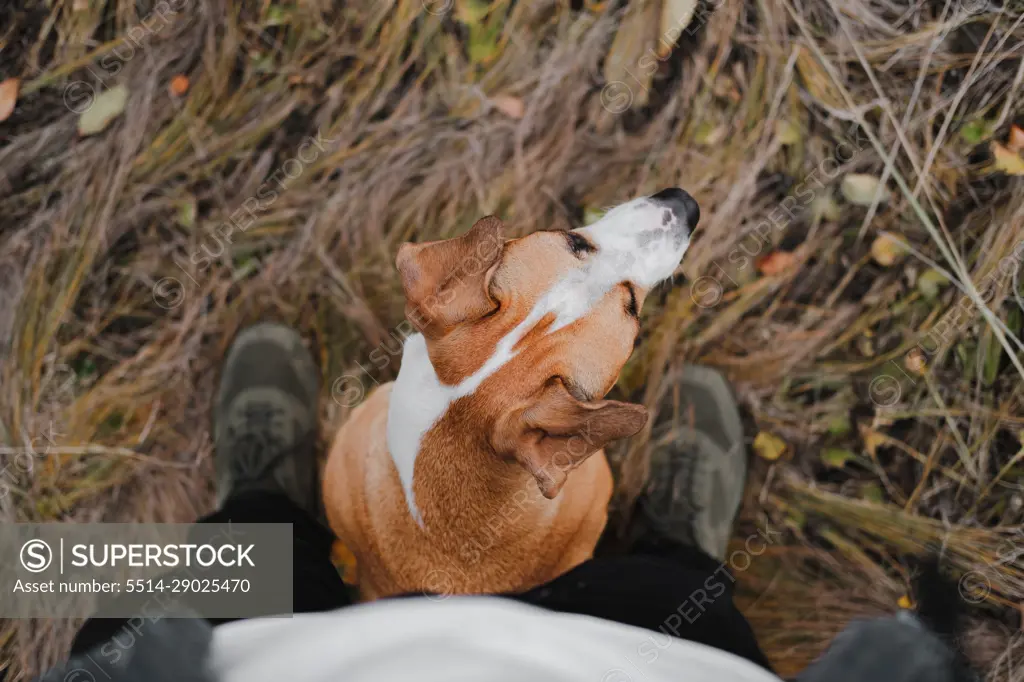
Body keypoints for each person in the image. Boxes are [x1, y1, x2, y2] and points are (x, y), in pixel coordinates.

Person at [44, 324, 968, 682]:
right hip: (626, 667)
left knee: (207, 566)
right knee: (668, 600)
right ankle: (677, 550)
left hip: (246, 664)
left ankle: (257, 498)